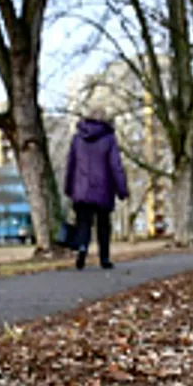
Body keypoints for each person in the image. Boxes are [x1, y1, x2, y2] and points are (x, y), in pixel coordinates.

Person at [64, 107, 129, 270]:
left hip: (81, 189)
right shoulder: (109, 138)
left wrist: (68, 188)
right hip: (103, 189)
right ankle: (104, 258)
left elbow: (70, 164)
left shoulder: (77, 139)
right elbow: (116, 166)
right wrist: (122, 189)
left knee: (83, 223)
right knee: (103, 225)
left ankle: (82, 249)